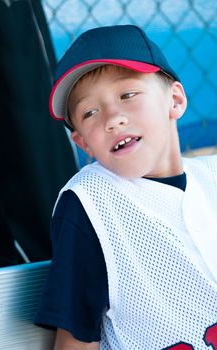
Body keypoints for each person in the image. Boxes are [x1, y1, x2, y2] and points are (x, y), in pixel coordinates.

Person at [34, 25, 217, 349]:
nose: (112, 118)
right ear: (82, 142)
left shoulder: (211, 177)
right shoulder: (90, 203)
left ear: (174, 100)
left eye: (127, 95)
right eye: (89, 112)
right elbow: (76, 341)